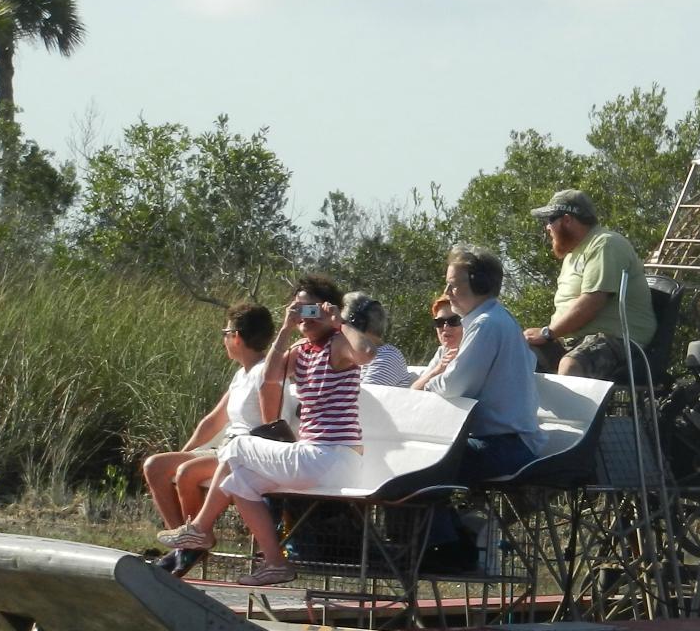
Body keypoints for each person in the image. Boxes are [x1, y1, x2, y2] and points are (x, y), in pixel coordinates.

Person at [157, 274, 371, 587]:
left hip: (334, 456)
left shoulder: (338, 343)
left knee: (240, 445)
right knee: (239, 481)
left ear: (327, 309)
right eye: (299, 310)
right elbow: (269, 378)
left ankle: (200, 528)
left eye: (311, 310)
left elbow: (366, 353)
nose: (305, 318)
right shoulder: (303, 350)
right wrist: (286, 328)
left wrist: (339, 321)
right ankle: (275, 563)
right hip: (312, 457)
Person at [142, 301, 276, 537]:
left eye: (225, 333)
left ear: (236, 337)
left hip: (243, 456)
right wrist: (184, 452)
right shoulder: (241, 374)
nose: (223, 339)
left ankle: (195, 540)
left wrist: (185, 460)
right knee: (155, 466)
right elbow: (213, 421)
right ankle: (181, 539)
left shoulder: (264, 373)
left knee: (186, 471)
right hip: (223, 450)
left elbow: (270, 425)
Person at [412, 246, 539, 482]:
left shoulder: (485, 324)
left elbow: (455, 386)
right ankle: (461, 519)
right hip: (510, 443)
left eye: (453, 284)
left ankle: (451, 521)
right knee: (421, 461)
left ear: (479, 284)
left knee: (418, 467)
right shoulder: (497, 318)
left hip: (505, 445)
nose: (447, 291)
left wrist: (425, 387)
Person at [523, 188, 656, 381]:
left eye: (550, 220)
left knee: (571, 365)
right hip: (571, 340)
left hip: (616, 340)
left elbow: (591, 303)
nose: (547, 227)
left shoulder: (605, 244)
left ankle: (569, 413)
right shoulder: (573, 254)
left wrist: (547, 332)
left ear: (567, 220)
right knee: (512, 354)